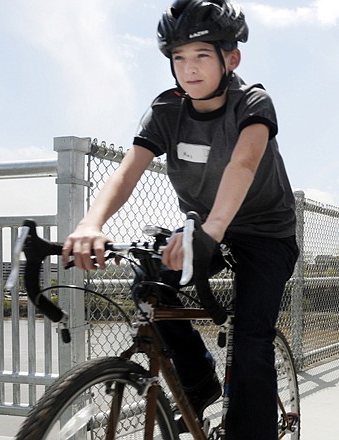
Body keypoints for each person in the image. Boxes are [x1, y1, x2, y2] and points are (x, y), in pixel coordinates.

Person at [62, 1, 299, 438]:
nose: (189, 69)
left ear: (231, 58)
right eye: (179, 58)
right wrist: (89, 223)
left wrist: (211, 230)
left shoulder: (252, 103)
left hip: (266, 233)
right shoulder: (166, 111)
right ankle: (197, 380)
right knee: (148, 284)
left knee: (250, 341)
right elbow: (129, 169)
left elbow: (243, 165)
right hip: (204, 226)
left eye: (202, 56)